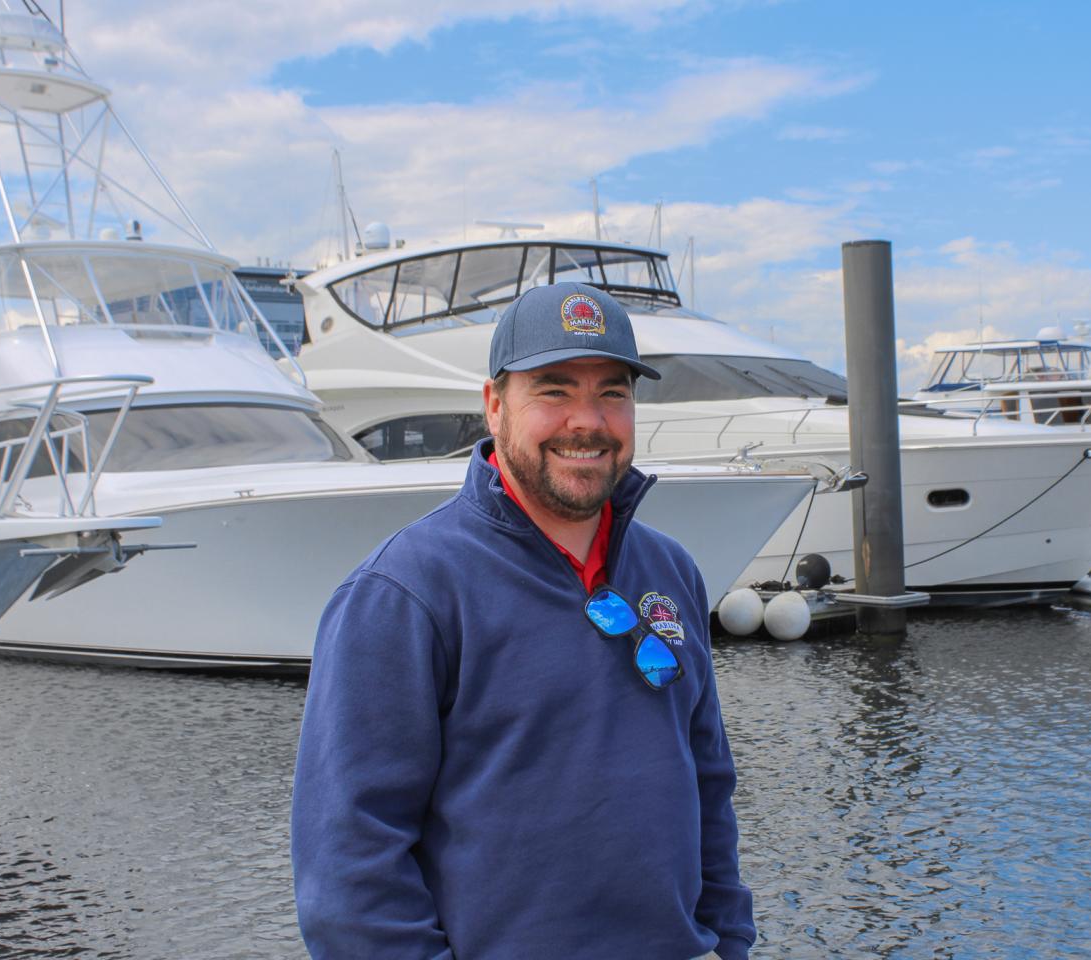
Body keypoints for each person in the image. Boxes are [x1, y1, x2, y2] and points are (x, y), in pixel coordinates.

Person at [291, 281, 755, 960]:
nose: (587, 421)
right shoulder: (403, 592)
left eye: (612, 393)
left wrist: (730, 941)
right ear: (494, 407)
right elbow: (348, 866)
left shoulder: (671, 571)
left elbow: (709, 784)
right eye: (554, 390)